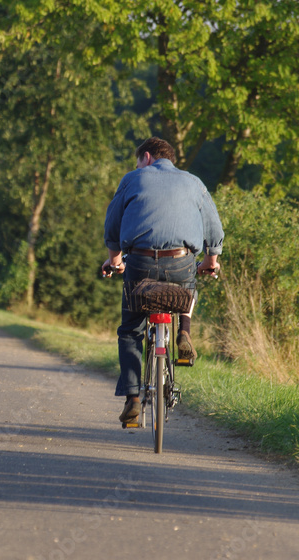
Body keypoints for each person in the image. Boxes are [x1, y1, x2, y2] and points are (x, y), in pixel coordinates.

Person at [102, 137, 224, 425]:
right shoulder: (193, 182)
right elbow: (213, 225)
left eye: (137, 162)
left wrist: (115, 260)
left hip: (140, 262)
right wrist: (211, 260)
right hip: (181, 261)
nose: (137, 167)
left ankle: (132, 398)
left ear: (146, 157)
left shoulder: (132, 179)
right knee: (188, 280)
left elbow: (113, 224)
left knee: (131, 330)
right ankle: (184, 332)